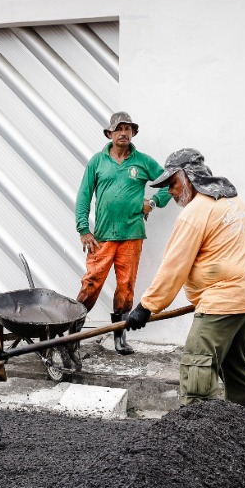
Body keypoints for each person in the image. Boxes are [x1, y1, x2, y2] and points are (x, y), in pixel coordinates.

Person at [124, 148, 245, 411]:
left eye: (173, 183)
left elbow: (174, 265)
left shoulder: (195, 212)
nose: (170, 191)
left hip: (220, 305)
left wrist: (146, 307)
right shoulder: (233, 201)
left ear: (188, 177)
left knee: (197, 369)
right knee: (236, 369)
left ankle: (197, 432)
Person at [74, 111, 171, 354]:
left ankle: (120, 336)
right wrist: (84, 229)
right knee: (91, 284)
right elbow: (84, 195)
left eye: (128, 129)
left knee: (126, 286)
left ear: (133, 133)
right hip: (102, 237)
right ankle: (72, 336)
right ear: (109, 133)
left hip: (132, 235)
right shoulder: (97, 161)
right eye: (119, 128)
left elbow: (170, 183)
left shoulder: (143, 161)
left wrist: (153, 202)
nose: (123, 133)